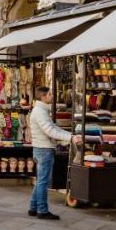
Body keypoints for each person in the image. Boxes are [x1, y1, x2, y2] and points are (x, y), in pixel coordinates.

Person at [28, 86, 83, 220]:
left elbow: (53, 127)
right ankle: (42, 210)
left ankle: (33, 207)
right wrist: (70, 138)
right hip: (44, 150)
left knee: (41, 180)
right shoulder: (40, 112)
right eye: (50, 94)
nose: (52, 96)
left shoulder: (41, 110)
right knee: (43, 181)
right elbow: (50, 131)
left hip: (41, 149)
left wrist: (70, 135)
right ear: (43, 97)